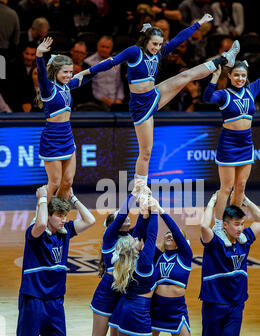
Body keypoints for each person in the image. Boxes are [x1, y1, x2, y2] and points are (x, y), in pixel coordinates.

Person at [78, 14, 240, 199]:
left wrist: (199, 23)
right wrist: (85, 72)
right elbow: (110, 63)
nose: (157, 48)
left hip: (154, 95)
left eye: (160, 44)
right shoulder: (134, 52)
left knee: (184, 76)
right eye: (154, 44)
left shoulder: (159, 53)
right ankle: (139, 189)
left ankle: (225, 59)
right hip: (141, 108)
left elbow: (179, 39)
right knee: (146, 151)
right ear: (147, 40)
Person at [7, 185, 95, 336]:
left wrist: (73, 198)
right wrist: (43, 199)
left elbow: (90, 220)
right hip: (34, 298)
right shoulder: (35, 233)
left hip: (55, 300)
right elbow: (41, 223)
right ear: (50, 215)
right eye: (60, 216)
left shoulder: (65, 233)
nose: (64, 220)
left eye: (66, 216)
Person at [202, 31, 260, 246]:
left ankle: (234, 224)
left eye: (243, 76)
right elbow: (207, 97)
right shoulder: (223, 95)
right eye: (236, 75)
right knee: (226, 188)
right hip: (228, 144)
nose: (240, 79)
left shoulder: (252, 90)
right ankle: (219, 226)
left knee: (241, 187)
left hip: (246, 144)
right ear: (229, 76)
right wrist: (213, 77)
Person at [80, 181, 150, 336]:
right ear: (111, 224)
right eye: (123, 217)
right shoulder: (109, 238)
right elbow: (121, 215)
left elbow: (145, 224)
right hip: (106, 293)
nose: (128, 218)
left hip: (125, 294)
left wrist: (145, 201)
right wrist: (132, 194)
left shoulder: (132, 236)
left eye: (130, 217)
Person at [199, 192, 260, 336]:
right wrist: (211, 203)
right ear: (225, 225)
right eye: (236, 224)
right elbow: (203, 227)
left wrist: (245, 200)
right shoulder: (214, 242)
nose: (240, 228)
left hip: (236, 304)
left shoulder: (244, 240)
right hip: (214, 301)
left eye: (241, 223)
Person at [35, 36, 107, 203]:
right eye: (64, 72)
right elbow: (40, 75)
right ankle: (40, 215)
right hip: (52, 138)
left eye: (70, 72)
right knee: (54, 182)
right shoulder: (48, 89)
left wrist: (110, 64)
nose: (68, 75)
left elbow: (90, 74)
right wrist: (39, 55)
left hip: (67, 136)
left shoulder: (67, 86)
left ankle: (59, 217)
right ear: (55, 72)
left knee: (67, 182)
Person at [150, 207, 207, 336]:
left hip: (176, 311)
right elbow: (147, 238)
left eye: (172, 235)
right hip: (156, 309)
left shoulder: (185, 255)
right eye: (165, 234)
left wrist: (161, 212)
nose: (168, 235)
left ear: (180, 240)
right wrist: (148, 213)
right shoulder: (158, 257)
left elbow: (174, 228)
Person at [107, 196, 161, 336]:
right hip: (139, 311)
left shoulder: (125, 260)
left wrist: (144, 214)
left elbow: (141, 233)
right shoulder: (145, 263)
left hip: (123, 311)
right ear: (138, 246)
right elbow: (152, 235)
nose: (138, 238)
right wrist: (155, 212)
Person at [84, 36, 125, 111]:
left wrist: (119, 99)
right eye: (102, 46)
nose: (104, 49)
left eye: (107, 47)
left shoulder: (117, 63)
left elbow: (119, 83)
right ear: (97, 46)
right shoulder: (88, 62)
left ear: (111, 49)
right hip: (97, 102)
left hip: (115, 102)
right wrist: (103, 99)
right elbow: (90, 87)